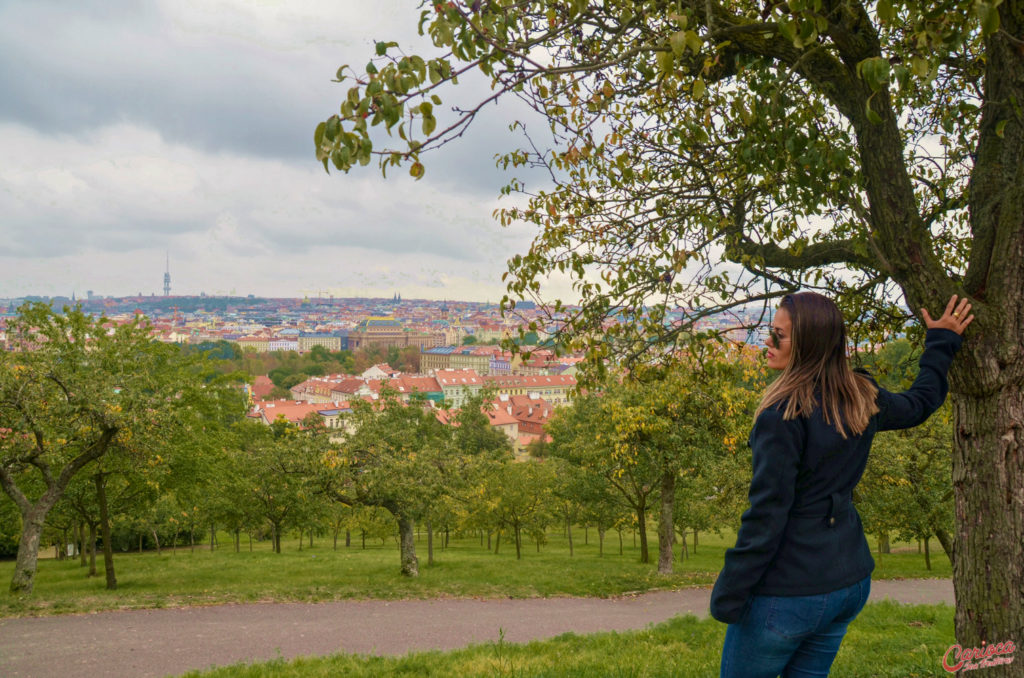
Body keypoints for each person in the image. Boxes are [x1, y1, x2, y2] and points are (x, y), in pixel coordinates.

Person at [710, 292, 973, 678]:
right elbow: (920, 402)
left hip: (789, 592)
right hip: (847, 583)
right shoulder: (860, 397)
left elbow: (767, 514)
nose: (767, 342)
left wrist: (729, 594)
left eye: (778, 335)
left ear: (807, 344)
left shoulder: (782, 415)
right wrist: (941, 342)